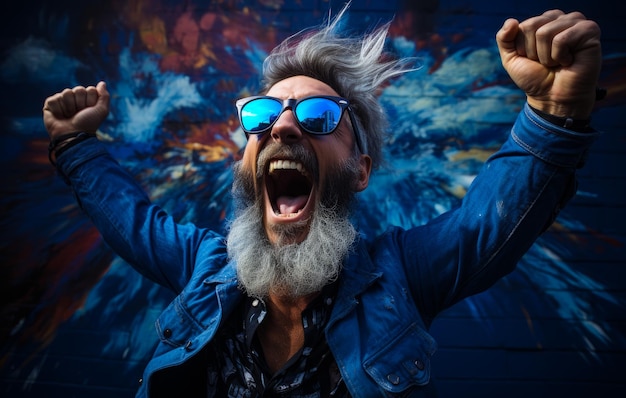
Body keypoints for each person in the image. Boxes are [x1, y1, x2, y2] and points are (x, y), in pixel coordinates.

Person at [42, 4, 602, 397]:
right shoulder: (205, 267)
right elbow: (130, 220)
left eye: (318, 117)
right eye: (262, 114)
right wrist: (74, 143)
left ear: (359, 171)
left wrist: (553, 112)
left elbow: (486, 224)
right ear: (245, 159)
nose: (283, 127)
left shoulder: (402, 276)